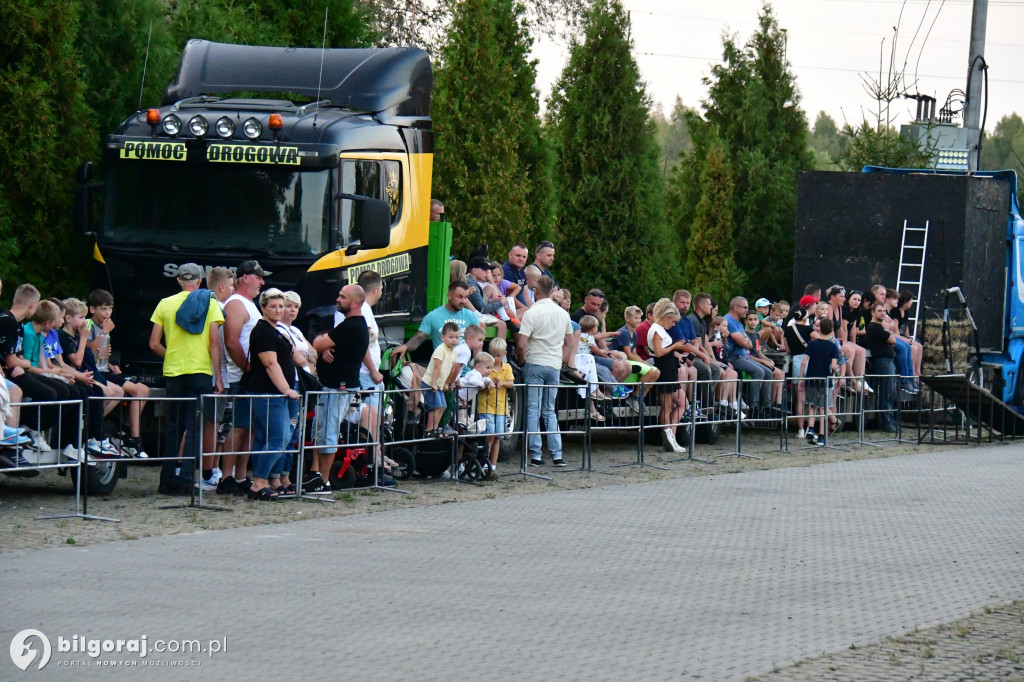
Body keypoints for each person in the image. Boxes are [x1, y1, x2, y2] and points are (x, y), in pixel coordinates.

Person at [148, 263, 224, 495]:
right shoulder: (209, 303)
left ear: (178, 281)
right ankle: (187, 480)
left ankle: (166, 480)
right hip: (200, 371)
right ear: (199, 281)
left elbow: (153, 343)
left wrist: (171, 354)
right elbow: (214, 342)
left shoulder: (164, 303)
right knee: (194, 427)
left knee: (174, 427)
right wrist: (218, 376)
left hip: (174, 372)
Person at [307, 284, 369, 496]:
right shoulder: (348, 325)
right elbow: (324, 344)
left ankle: (323, 481)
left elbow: (317, 344)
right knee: (320, 430)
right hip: (331, 386)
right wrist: (324, 348)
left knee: (329, 433)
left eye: (343, 297)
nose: (338, 299)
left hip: (339, 388)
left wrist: (321, 345)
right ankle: (317, 474)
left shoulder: (352, 325)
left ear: (354, 302)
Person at [217, 259, 270, 495]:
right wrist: (247, 367)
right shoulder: (237, 303)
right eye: (258, 277)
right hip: (242, 376)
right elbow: (231, 340)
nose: (262, 282)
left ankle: (239, 476)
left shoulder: (247, 303)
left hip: (250, 375)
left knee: (248, 427)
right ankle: (226, 476)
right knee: (239, 426)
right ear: (246, 277)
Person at [242, 289, 299, 500]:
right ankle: (258, 482)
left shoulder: (274, 329)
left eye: (281, 306)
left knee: (268, 438)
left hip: (274, 394)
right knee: (279, 438)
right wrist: (286, 389)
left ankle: (261, 480)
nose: (278, 310)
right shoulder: (263, 331)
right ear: (263, 307)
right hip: (268, 393)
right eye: (273, 306)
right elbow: (270, 364)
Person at [84, 289, 151, 459]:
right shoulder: (89, 325)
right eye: (103, 309)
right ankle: (90, 425)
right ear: (92, 310)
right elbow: (87, 351)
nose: (107, 313)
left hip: (105, 369)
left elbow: (101, 354)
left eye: (109, 309)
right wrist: (105, 332)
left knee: (143, 389)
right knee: (131, 391)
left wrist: (111, 364)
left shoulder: (104, 326)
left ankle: (131, 437)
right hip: (95, 372)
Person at [516, 275, 573, 467]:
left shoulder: (532, 313)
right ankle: (557, 454)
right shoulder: (563, 314)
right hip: (553, 363)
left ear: (536, 291)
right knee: (550, 410)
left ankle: (536, 454)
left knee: (533, 408)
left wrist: (522, 361)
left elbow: (522, 344)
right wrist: (561, 359)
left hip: (534, 361)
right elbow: (569, 343)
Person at [648, 299, 687, 453]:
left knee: (680, 403)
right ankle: (668, 437)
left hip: (670, 367)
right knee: (667, 406)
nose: (673, 325)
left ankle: (671, 435)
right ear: (666, 317)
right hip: (664, 368)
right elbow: (658, 352)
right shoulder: (656, 330)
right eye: (672, 321)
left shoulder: (660, 329)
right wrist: (675, 347)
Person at [725, 297, 770, 413]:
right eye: (745, 307)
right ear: (736, 307)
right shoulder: (728, 321)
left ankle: (766, 405)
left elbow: (749, 344)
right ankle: (753, 405)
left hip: (744, 356)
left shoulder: (739, 324)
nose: (747, 310)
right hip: (733, 357)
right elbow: (743, 342)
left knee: (769, 372)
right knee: (758, 371)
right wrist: (745, 342)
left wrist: (745, 342)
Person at [478, 337, 513, 480]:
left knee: (497, 436)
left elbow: (511, 383)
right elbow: (479, 381)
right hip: (486, 406)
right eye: (493, 355)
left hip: (500, 408)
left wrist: (503, 383)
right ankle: (484, 463)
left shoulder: (507, 367)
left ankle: (492, 465)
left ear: (504, 354)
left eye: (498, 355)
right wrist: (489, 383)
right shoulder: (487, 368)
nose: (495, 358)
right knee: (489, 435)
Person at [783, 296, 817, 438]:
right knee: (811, 397)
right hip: (808, 360)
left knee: (800, 398)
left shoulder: (788, 330)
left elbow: (787, 349)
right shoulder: (809, 329)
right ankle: (811, 428)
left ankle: (800, 430)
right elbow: (818, 339)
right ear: (804, 318)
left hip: (796, 361)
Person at [803, 317, 841, 446]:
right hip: (825, 380)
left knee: (812, 405)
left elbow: (804, 362)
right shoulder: (832, 347)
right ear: (831, 330)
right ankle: (822, 436)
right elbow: (834, 365)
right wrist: (835, 372)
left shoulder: (812, 344)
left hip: (812, 378)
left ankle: (811, 428)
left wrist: (801, 377)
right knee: (823, 408)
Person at [862, 302, 899, 433]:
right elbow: (892, 340)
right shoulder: (874, 327)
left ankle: (889, 419)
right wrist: (889, 330)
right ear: (872, 312)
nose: (883, 313)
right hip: (882, 361)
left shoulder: (880, 327)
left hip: (888, 360)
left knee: (891, 392)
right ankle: (886, 421)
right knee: (886, 392)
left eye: (884, 311)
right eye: (879, 310)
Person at [423, 322, 460, 432]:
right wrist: (433, 383)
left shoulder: (454, 352)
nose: (454, 340)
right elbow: (437, 367)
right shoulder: (441, 349)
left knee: (443, 407)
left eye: (457, 337)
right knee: (436, 407)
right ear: (443, 337)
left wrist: (446, 383)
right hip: (430, 382)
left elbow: (451, 368)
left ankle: (436, 429)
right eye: (451, 337)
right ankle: (429, 430)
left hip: (439, 384)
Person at [502, 242, 530, 308]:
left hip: (523, 309)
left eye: (524, 257)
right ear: (510, 255)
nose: (521, 259)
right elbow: (511, 298)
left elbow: (525, 295)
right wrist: (527, 310)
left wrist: (532, 308)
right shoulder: (506, 271)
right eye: (518, 255)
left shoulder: (521, 271)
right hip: (511, 309)